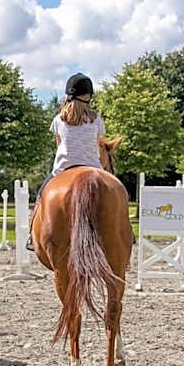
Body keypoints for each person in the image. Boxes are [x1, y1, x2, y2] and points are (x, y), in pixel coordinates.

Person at [26, 73, 106, 251]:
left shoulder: (58, 120)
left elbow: (59, 144)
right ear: (89, 96)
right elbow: (96, 145)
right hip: (94, 168)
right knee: (118, 193)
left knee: (41, 195)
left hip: (63, 169)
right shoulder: (96, 120)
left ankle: (31, 235)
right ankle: (128, 231)